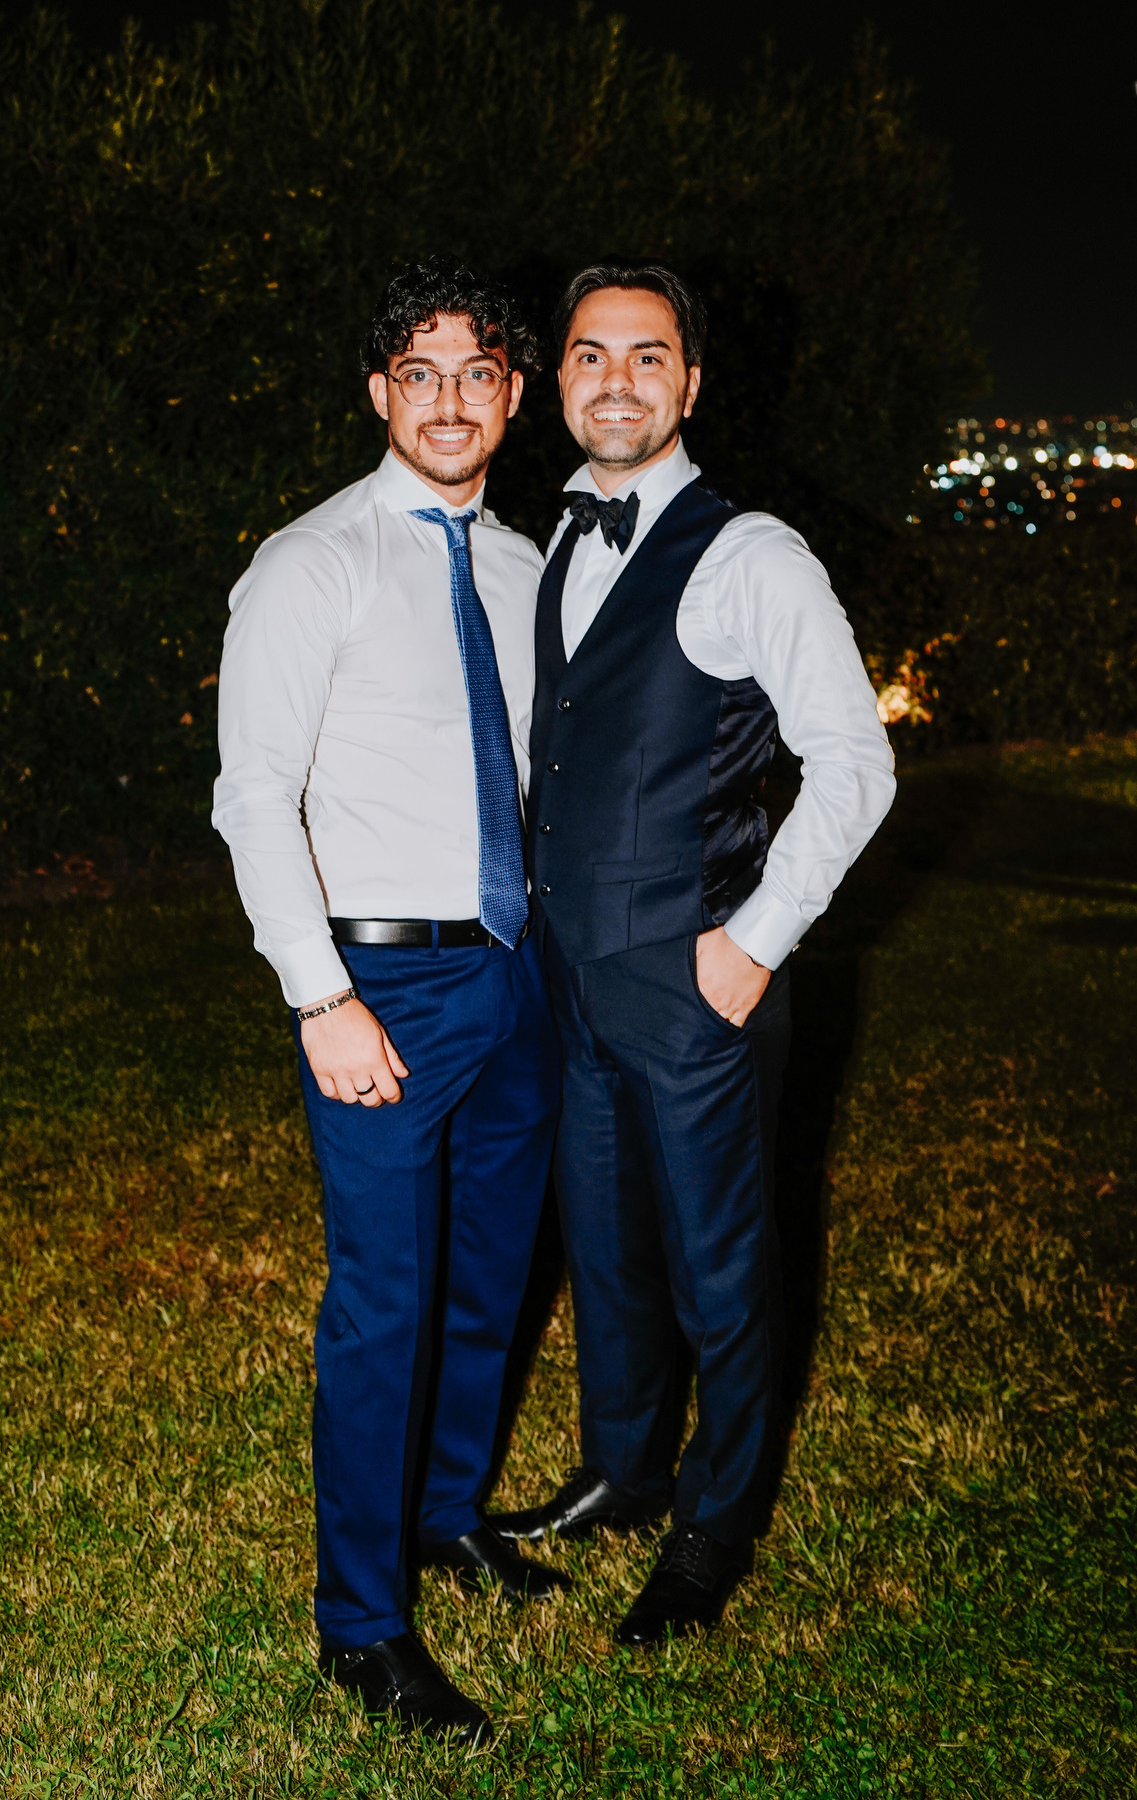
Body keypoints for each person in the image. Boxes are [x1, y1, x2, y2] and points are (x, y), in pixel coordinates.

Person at [490, 261, 896, 1644]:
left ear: (692, 382)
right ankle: (626, 1468)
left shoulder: (751, 554)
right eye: (590, 355)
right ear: (557, 380)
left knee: (723, 1268)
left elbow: (855, 765)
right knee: (606, 1247)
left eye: (647, 355)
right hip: (574, 977)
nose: (617, 380)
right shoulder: (556, 540)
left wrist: (752, 944)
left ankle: (716, 1525)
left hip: (692, 978)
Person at [212, 256, 565, 1747]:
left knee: (491, 1274)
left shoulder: (528, 570)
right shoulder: (312, 563)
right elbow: (253, 795)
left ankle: (446, 1515)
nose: (449, 402)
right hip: (382, 982)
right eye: (420, 375)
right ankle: (361, 1621)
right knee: (385, 1302)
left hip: (518, 967)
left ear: (513, 394)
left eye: (477, 373)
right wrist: (322, 997)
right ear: (379, 393)